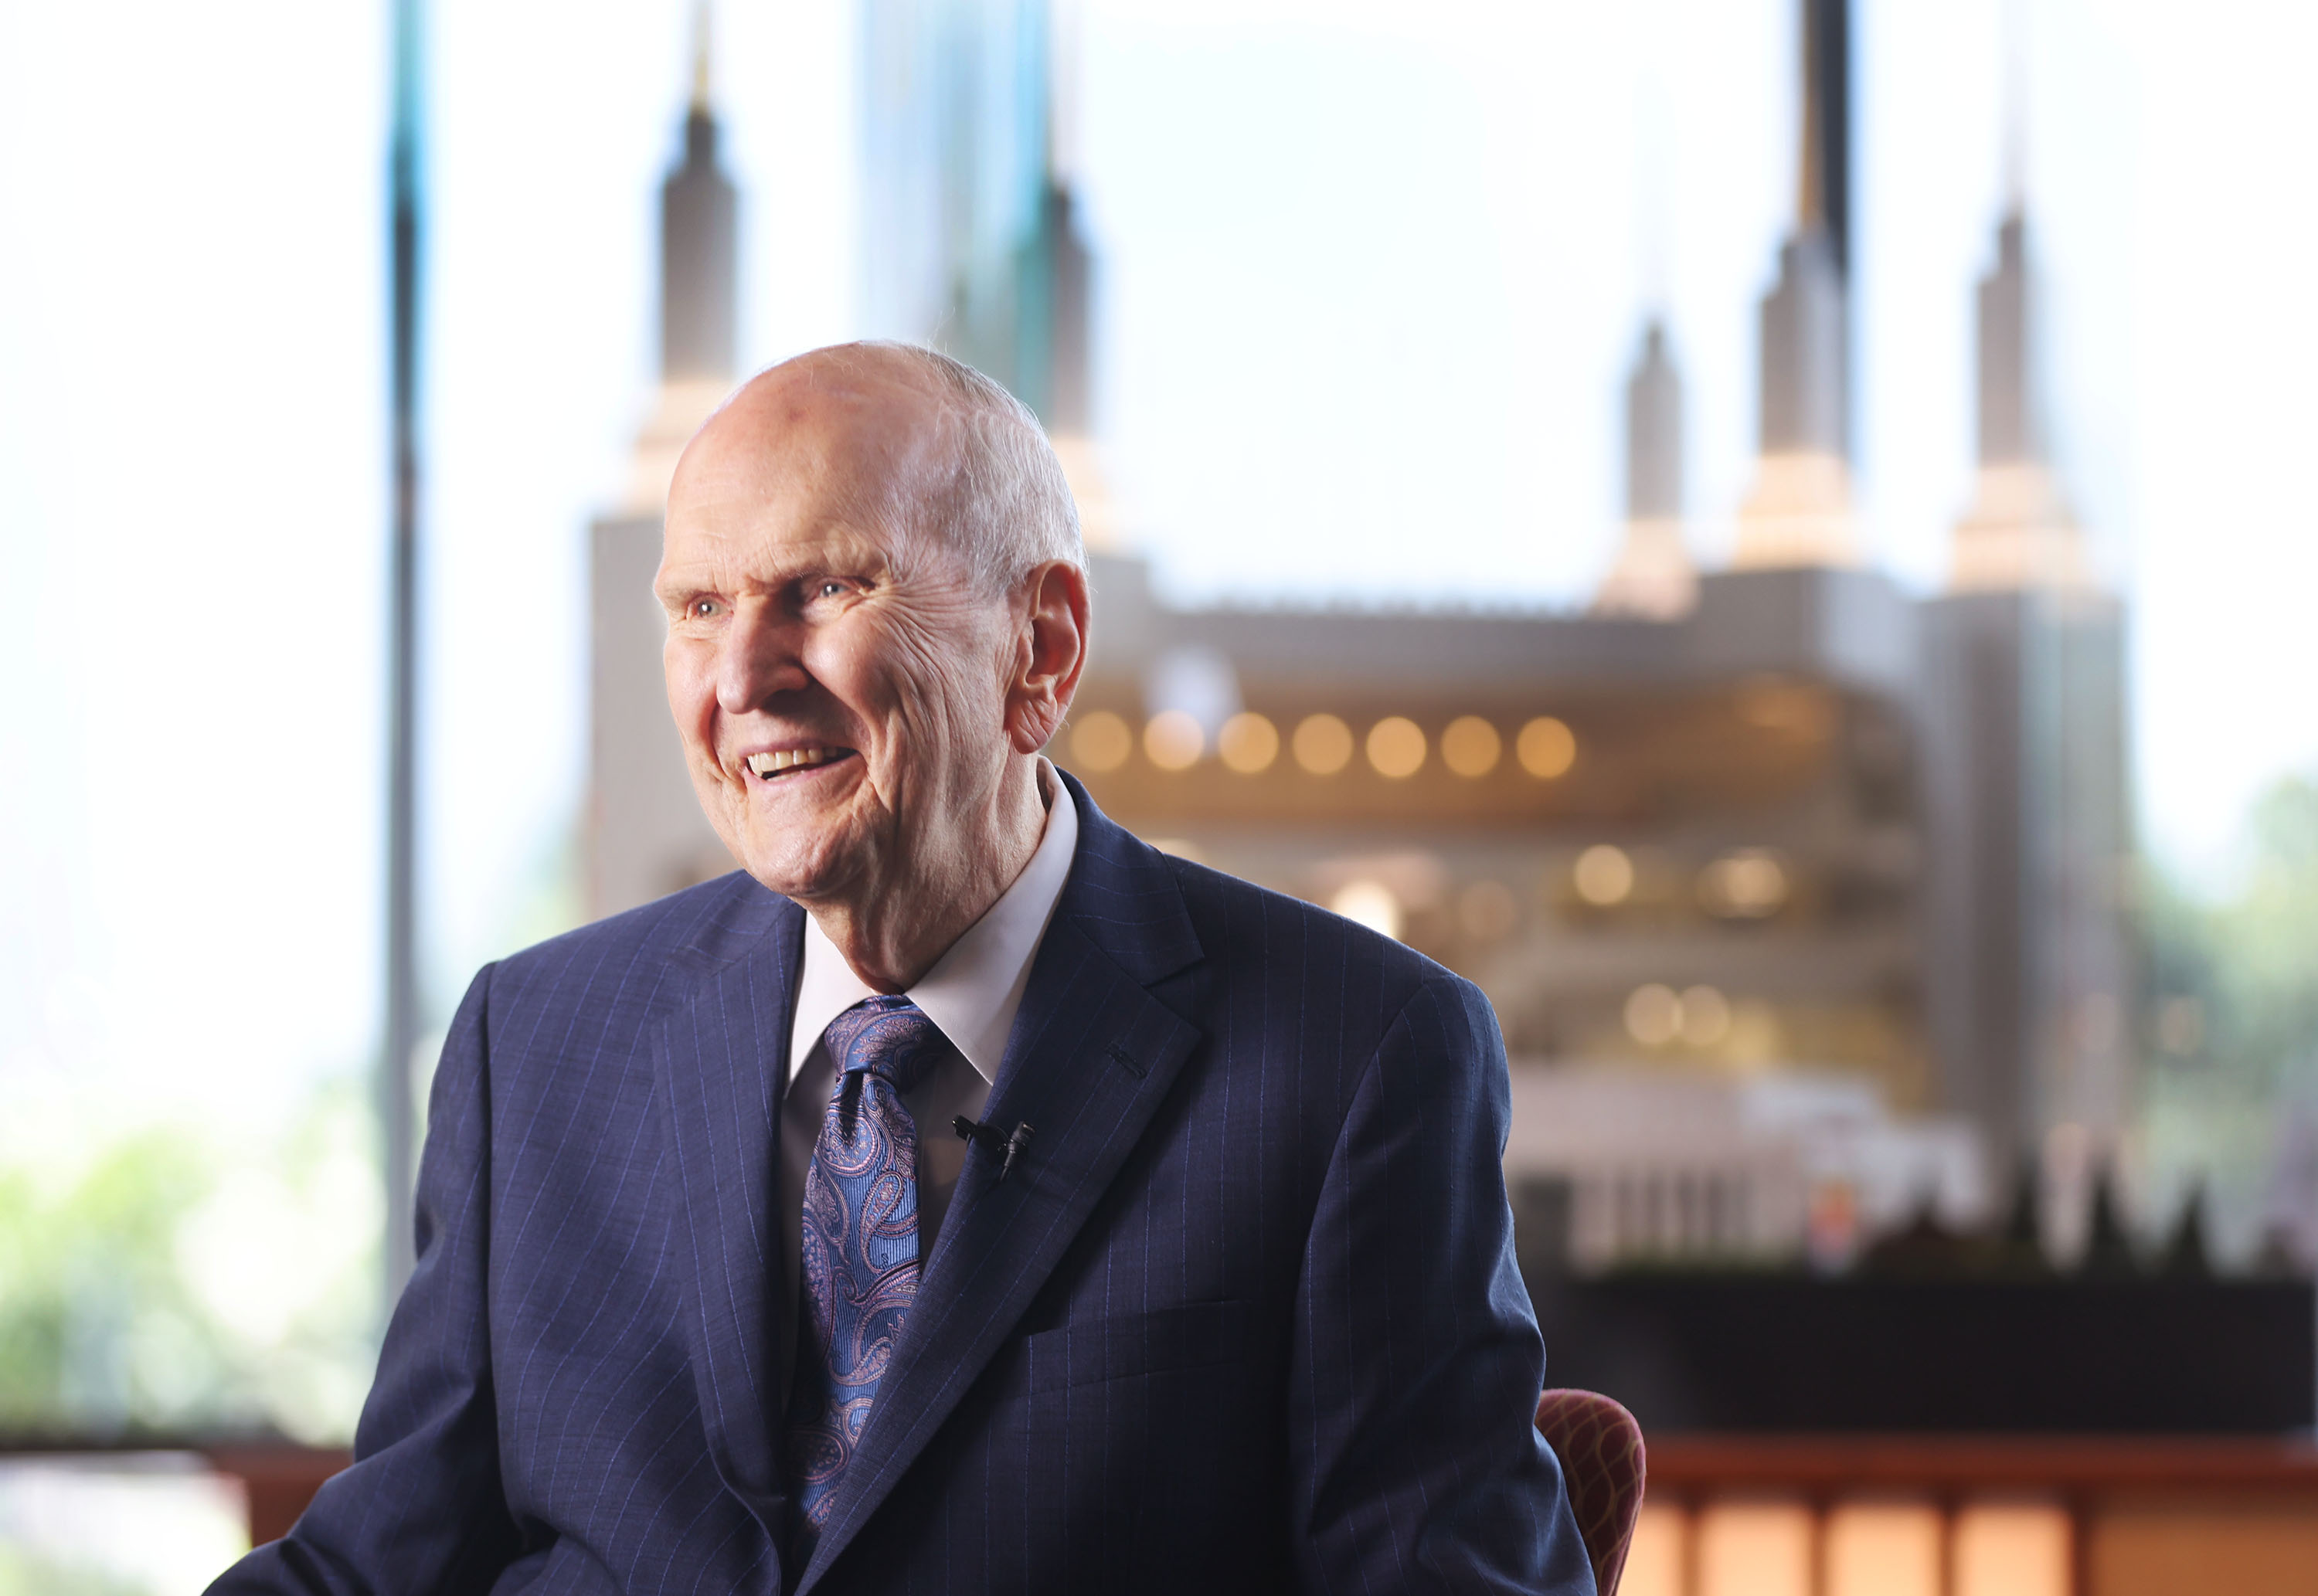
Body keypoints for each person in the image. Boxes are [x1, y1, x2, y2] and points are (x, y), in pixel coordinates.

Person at [210, 342, 1595, 1594]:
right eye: (698, 605)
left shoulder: (1362, 1056)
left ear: (1038, 648)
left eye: (824, 587)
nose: (742, 674)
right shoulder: (537, 1041)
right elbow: (380, 1564)